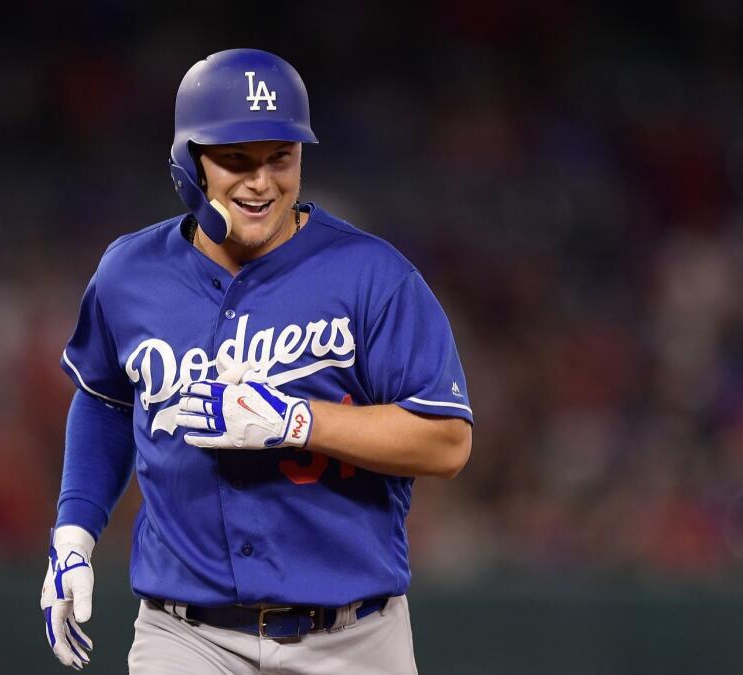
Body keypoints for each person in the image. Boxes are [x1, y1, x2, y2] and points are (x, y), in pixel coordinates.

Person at [38, 48, 473, 674]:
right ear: (188, 164)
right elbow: (105, 398)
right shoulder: (129, 273)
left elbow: (447, 443)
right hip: (185, 634)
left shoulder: (373, 275)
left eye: (280, 157)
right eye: (235, 160)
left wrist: (295, 422)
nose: (261, 182)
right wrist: (74, 531)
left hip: (351, 637)